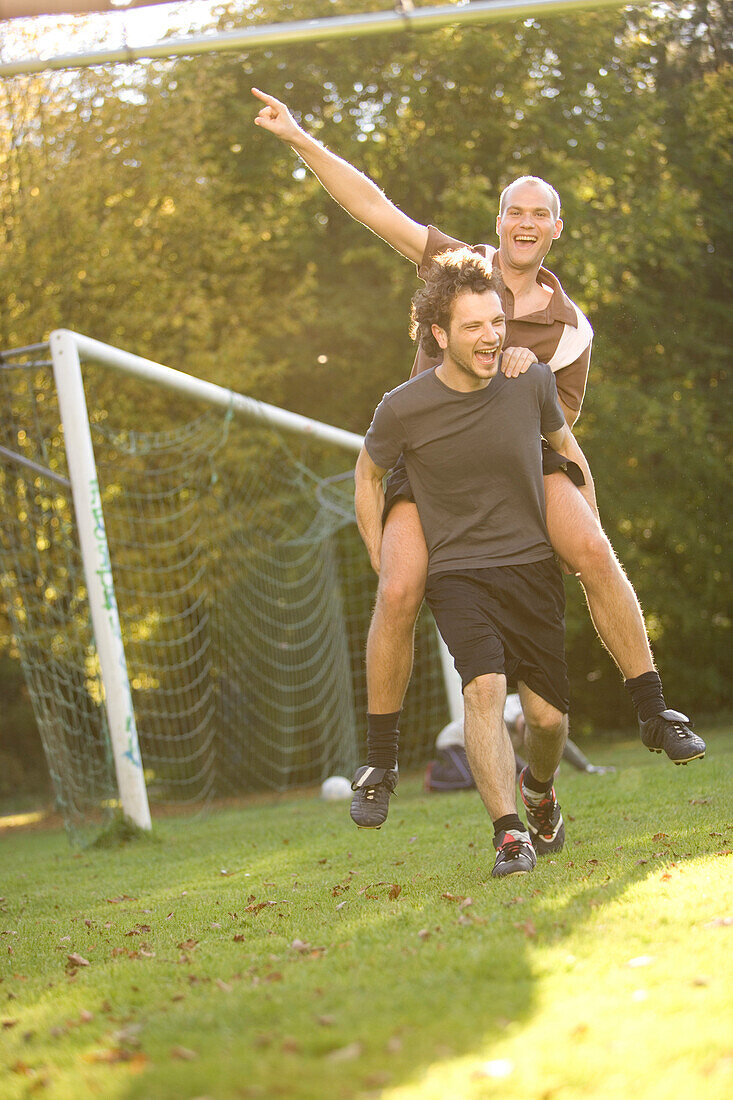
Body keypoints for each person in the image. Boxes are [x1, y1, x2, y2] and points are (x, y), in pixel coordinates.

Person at [251, 88, 705, 790]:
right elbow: (373, 206)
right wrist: (299, 138)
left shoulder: (569, 329)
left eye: (538, 214)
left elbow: (555, 428)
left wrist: (521, 386)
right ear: (498, 223)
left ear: (556, 228)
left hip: (512, 467)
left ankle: (651, 707)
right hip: (425, 467)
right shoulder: (456, 266)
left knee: (589, 544)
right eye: (513, 211)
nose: (524, 224)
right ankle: (380, 756)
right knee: (398, 587)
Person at [355, 249, 593, 876]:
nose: (491, 336)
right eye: (473, 326)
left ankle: (538, 791)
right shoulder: (402, 407)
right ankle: (508, 832)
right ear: (439, 335)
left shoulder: (528, 381)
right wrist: (381, 552)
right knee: (483, 687)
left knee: (546, 717)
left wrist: (583, 526)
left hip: (529, 564)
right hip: (458, 571)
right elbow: (368, 471)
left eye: (496, 322)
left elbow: (567, 451)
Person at [425, 694, 615, 792]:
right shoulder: (504, 718)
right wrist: (532, 773)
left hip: (477, 744)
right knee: (471, 780)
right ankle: (434, 775)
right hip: (454, 741)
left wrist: (587, 767)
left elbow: (557, 741)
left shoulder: (535, 711)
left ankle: (446, 773)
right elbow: (505, 753)